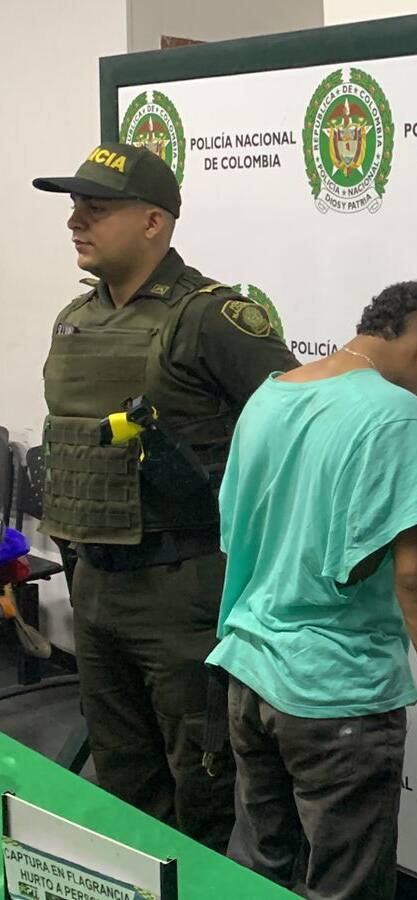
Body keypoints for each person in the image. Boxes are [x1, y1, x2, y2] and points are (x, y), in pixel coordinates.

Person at [32, 143, 298, 850]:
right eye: (74, 206)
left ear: (154, 222)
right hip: (95, 584)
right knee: (123, 779)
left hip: (182, 587)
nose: (75, 221)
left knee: (203, 782)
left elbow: (301, 429)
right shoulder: (76, 318)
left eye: (96, 208)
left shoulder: (212, 318)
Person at [210, 281, 417, 899]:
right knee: (347, 888)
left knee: (257, 875)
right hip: (336, 693)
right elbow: (415, 577)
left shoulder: (271, 394)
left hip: (249, 673)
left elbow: (234, 532)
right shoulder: (396, 415)